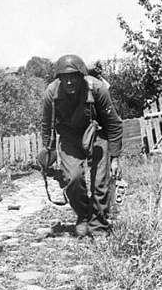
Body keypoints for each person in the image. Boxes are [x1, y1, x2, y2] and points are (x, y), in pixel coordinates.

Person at [40, 54, 123, 238]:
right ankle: (84, 215)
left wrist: (115, 157)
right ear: (59, 78)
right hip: (69, 138)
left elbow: (113, 123)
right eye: (64, 77)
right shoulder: (51, 94)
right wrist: (48, 152)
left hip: (97, 136)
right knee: (72, 179)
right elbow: (47, 125)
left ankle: (99, 225)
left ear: (81, 76)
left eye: (73, 77)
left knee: (100, 183)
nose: (69, 82)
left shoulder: (97, 89)